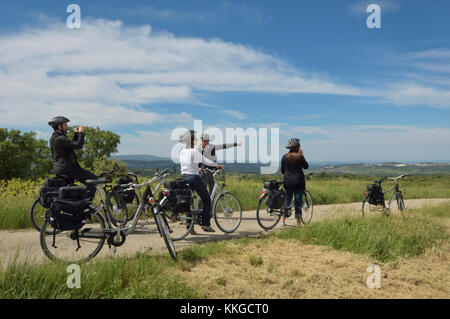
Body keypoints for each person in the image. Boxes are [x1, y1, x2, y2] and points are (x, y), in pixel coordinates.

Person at [179, 130, 224, 233]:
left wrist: (197, 168)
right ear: (191, 140)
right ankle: (206, 224)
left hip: (183, 177)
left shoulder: (182, 151)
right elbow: (205, 161)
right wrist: (217, 165)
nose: (196, 140)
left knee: (189, 201)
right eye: (194, 138)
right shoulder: (194, 151)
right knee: (207, 200)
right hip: (193, 178)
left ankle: (189, 226)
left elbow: (186, 165)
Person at [48, 116, 98, 194]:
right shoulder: (60, 139)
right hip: (68, 169)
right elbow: (78, 145)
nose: (67, 127)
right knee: (93, 180)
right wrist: (81, 133)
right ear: (59, 126)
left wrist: (76, 134)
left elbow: (71, 145)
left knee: (69, 193)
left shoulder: (55, 138)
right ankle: (86, 202)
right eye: (65, 125)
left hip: (61, 169)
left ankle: (77, 204)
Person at [280, 138, 309, 226]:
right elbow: (306, 166)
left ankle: (282, 221)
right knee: (298, 203)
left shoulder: (284, 157)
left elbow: (282, 170)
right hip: (298, 183)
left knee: (286, 202)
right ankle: (298, 223)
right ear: (297, 147)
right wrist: (302, 155)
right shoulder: (299, 156)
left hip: (287, 182)